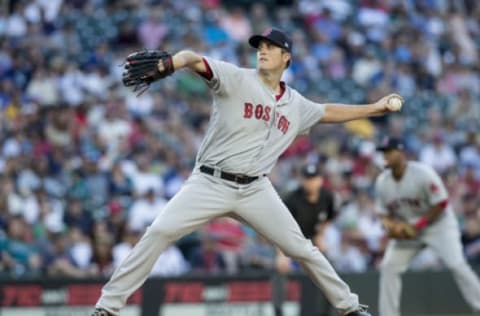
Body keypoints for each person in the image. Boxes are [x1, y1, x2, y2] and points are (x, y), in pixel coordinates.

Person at [91, 27, 402, 316]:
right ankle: (108, 306)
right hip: (210, 181)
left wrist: (375, 108)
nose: (263, 51)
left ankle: (349, 308)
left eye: (272, 47)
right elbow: (192, 58)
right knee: (159, 232)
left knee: (302, 249)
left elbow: (327, 111)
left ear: (287, 57)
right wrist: (173, 62)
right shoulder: (235, 78)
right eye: (260, 46)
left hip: (256, 189)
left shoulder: (296, 104)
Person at [374, 136, 480, 316]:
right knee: (389, 267)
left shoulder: (422, 173)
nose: (385, 156)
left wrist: (420, 224)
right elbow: (383, 214)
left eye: (389, 152)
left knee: (456, 265)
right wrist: (391, 227)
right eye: (383, 152)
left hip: (439, 226)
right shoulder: (382, 182)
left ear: (401, 153)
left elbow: (441, 203)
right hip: (409, 231)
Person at [273, 163, 337, 316]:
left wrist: (321, 235)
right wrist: (281, 254)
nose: (311, 182)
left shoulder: (327, 196)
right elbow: (277, 227)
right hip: (291, 240)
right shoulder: (292, 199)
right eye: (307, 179)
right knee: (280, 272)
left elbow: (329, 217)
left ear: (320, 180)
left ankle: (327, 312)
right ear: (301, 180)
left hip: (313, 239)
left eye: (314, 178)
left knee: (330, 270)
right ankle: (279, 312)